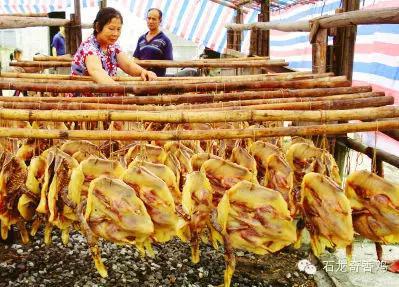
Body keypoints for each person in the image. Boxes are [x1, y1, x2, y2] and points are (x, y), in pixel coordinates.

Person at [71, 7, 156, 85]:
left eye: (118, 29)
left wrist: (143, 72)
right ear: (97, 27)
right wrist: (118, 89)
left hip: (106, 94)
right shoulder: (89, 47)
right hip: (85, 98)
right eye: (111, 29)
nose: (115, 34)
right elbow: (96, 71)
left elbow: (127, 65)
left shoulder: (113, 46)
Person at [133, 8, 173, 77]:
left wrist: (150, 65)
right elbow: (136, 58)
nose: (150, 21)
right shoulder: (141, 39)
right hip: (141, 79)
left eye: (154, 19)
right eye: (149, 18)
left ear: (160, 21)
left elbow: (169, 62)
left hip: (157, 80)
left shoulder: (165, 40)